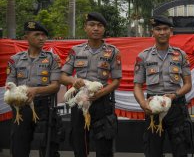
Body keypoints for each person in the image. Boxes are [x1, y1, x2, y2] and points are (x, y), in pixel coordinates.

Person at [60, 12, 121, 157]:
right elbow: (62, 76)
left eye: (100, 25)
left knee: (104, 145)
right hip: (80, 101)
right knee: (79, 143)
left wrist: (101, 93)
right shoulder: (76, 50)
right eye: (92, 25)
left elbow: (117, 80)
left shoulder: (112, 51)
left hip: (102, 102)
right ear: (85, 28)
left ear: (104, 29)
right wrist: (74, 81)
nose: (96, 28)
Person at [133, 15, 193, 157]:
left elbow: (188, 84)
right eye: (158, 29)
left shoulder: (181, 55)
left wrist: (175, 95)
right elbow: (137, 86)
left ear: (171, 31)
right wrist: (143, 103)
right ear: (152, 32)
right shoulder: (143, 56)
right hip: (152, 107)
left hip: (176, 107)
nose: (162, 32)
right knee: (153, 151)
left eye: (165, 29)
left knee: (180, 150)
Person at [6, 21, 62, 157]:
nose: (41, 38)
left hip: (44, 108)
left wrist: (36, 91)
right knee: (19, 147)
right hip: (21, 108)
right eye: (37, 34)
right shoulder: (15, 60)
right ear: (26, 37)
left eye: (44, 35)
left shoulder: (52, 59)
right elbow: (9, 84)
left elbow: (56, 86)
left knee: (48, 147)